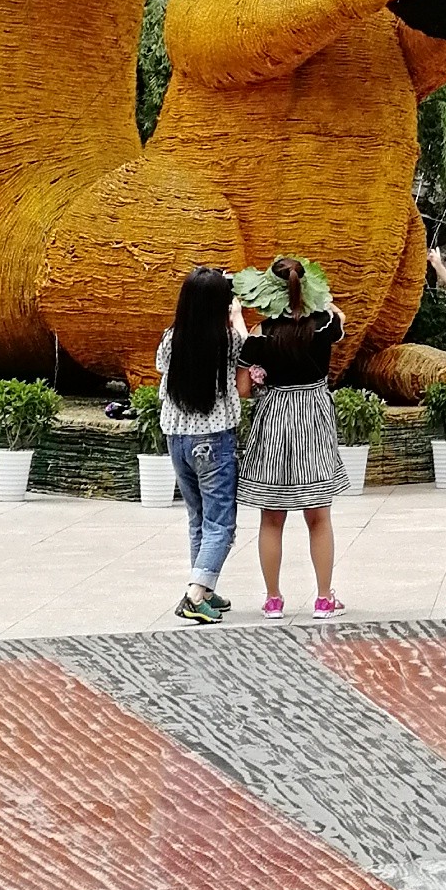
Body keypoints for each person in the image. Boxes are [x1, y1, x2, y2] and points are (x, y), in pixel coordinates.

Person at [234, 260, 347, 617]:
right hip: (314, 416)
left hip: (274, 418)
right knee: (318, 515)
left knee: (272, 517)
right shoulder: (325, 325)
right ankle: (324, 598)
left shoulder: (259, 335)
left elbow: (243, 388)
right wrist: (315, 298)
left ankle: (272, 600)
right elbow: (338, 315)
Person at [156, 265, 241, 623]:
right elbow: (250, 347)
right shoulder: (228, 341)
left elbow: (163, 368)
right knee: (221, 522)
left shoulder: (170, 338)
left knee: (198, 517)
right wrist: (237, 314)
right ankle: (194, 595)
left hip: (177, 437)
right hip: (213, 439)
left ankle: (204, 587)